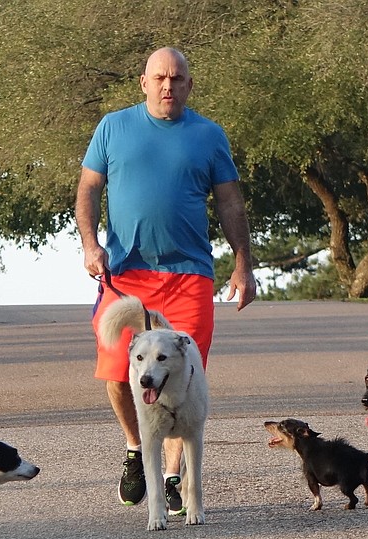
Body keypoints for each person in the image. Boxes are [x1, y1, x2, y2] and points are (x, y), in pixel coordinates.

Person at [75, 47, 257, 513]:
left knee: (186, 372)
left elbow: (231, 204)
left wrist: (243, 264)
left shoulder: (209, 136)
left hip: (189, 275)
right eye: (159, 77)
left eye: (176, 78)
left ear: (189, 85)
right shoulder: (113, 127)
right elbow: (88, 188)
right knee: (118, 370)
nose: (167, 86)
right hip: (126, 272)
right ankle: (138, 449)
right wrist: (91, 244)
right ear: (143, 82)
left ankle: (172, 476)